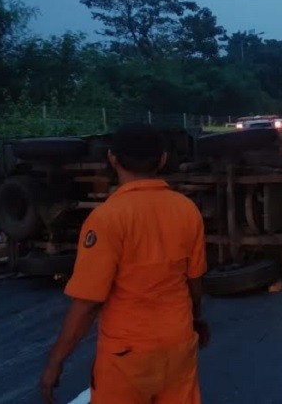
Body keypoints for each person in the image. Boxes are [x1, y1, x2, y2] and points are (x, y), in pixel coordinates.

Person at [40, 123, 209, 403]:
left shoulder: (107, 219)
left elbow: (88, 302)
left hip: (127, 355)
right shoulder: (186, 210)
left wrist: (56, 360)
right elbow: (194, 281)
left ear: (112, 158)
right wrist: (196, 320)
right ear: (163, 159)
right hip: (179, 344)